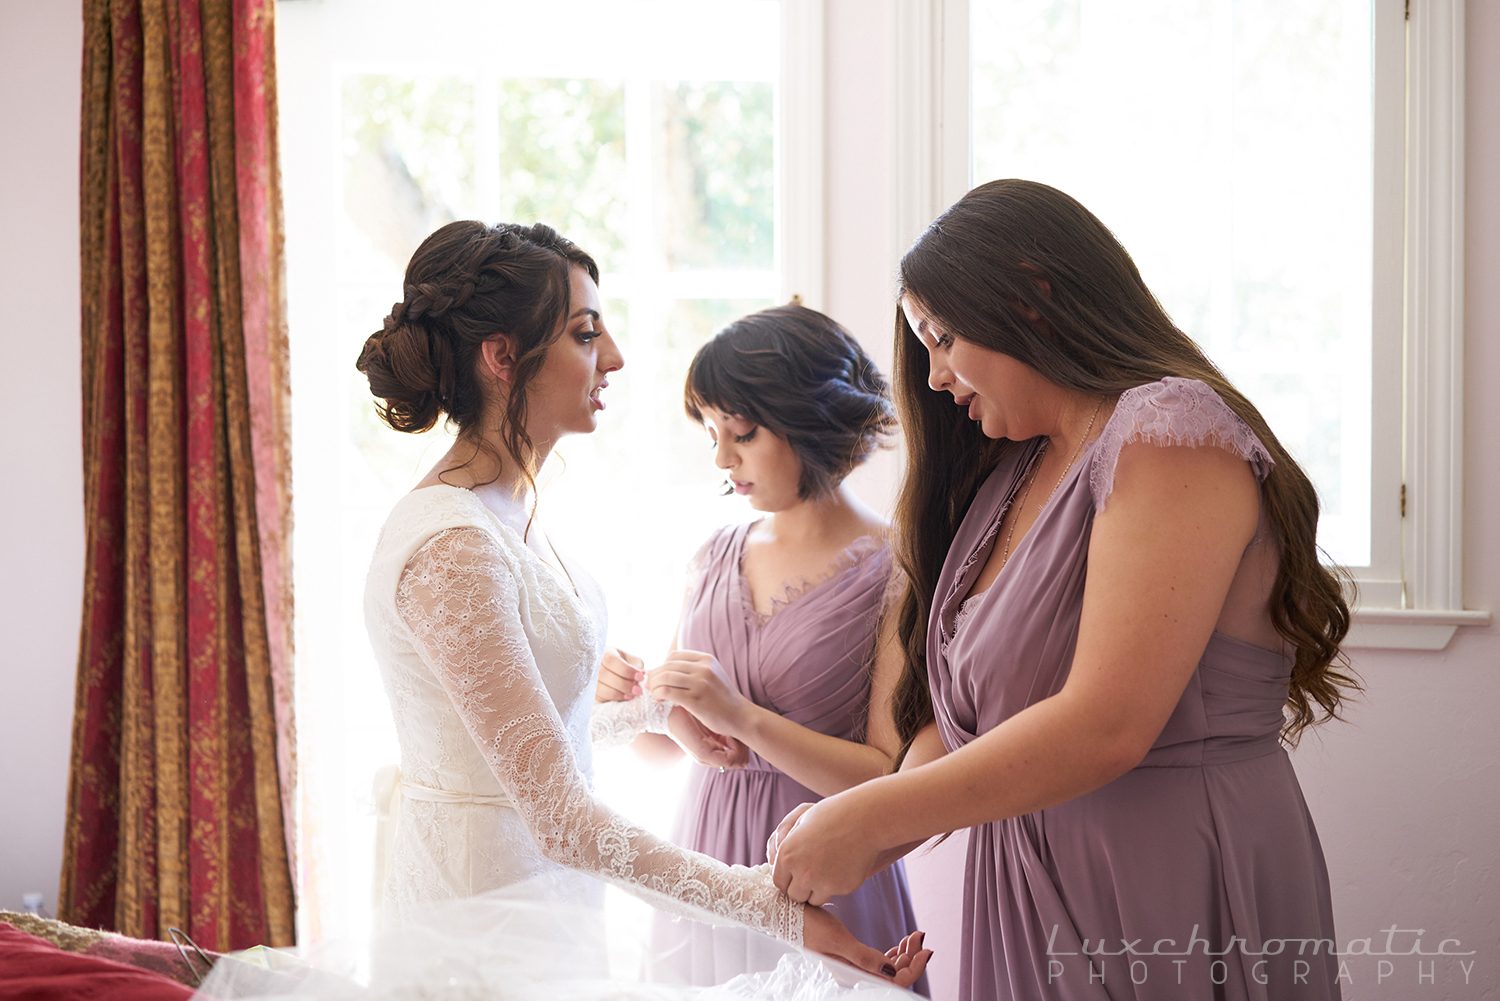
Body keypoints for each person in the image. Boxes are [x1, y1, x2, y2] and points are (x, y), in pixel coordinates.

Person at [767, 180, 1354, 1000]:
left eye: (941, 338)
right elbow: (967, 718)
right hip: (1030, 881)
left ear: (1034, 296)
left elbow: (1109, 723)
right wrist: (868, 820)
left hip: (1167, 871)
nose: (934, 378)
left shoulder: (1167, 429)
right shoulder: (1014, 472)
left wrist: (873, 819)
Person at [353, 220, 929, 988]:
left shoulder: (509, 510)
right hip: (480, 905)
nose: (615, 357)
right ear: (501, 356)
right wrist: (775, 907)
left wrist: (655, 714)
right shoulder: (454, 544)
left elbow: (519, 744)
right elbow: (554, 810)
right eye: (586, 333)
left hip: (541, 897)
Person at [594, 305, 927, 992]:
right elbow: (667, 744)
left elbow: (888, 779)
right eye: (712, 433)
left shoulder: (895, 569)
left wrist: (743, 716)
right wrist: (625, 698)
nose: (721, 458)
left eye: (741, 432)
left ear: (809, 420)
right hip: (706, 872)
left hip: (825, 869)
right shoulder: (714, 554)